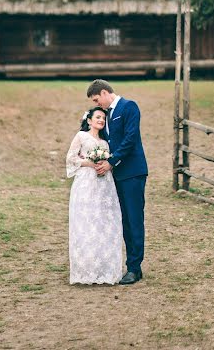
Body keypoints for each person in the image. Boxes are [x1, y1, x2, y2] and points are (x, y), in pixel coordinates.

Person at [87, 79, 148, 285]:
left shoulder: (129, 107)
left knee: (134, 219)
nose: (98, 104)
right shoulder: (106, 115)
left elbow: (130, 139)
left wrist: (111, 161)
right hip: (117, 176)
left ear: (105, 92)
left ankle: (134, 267)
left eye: (97, 100)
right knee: (124, 222)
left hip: (132, 173)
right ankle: (132, 265)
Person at [66, 106, 123, 285]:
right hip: (86, 183)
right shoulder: (81, 136)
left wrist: (105, 165)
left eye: (103, 119)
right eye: (98, 117)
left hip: (104, 184)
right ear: (89, 120)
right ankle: (85, 269)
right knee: (86, 222)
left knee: (102, 223)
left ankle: (103, 268)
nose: (101, 120)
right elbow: (70, 158)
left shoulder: (105, 144)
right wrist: (90, 163)